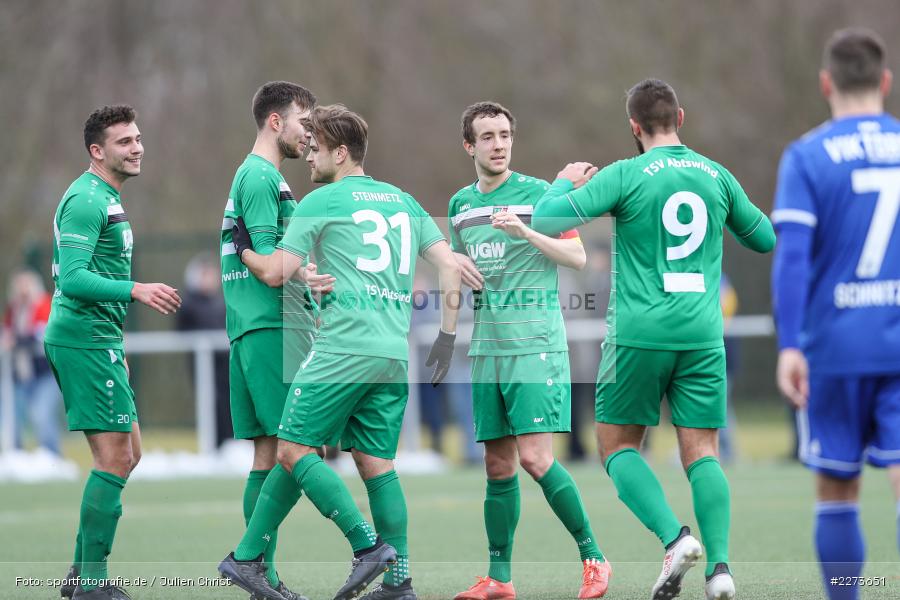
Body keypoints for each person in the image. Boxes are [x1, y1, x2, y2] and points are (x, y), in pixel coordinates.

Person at [532, 79, 775, 600]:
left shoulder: (625, 174)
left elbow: (548, 220)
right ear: (681, 118)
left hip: (639, 333)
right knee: (703, 452)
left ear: (634, 127)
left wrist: (561, 181)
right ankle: (722, 571)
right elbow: (764, 238)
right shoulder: (716, 174)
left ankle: (675, 539)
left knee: (616, 445)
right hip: (703, 334)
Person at [218, 104, 462, 600]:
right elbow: (450, 266)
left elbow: (273, 272)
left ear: (342, 153)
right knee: (377, 464)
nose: (309, 158)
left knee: (291, 449)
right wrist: (446, 336)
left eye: (316, 150)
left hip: (342, 349)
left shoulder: (322, 201)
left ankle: (366, 548)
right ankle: (399, 584)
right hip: (394, 353)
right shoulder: (404, 201)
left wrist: (240, 244)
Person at [449, 102, 612, 600]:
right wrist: (451, 277)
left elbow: (579, 258)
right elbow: (458, 267)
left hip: (534, 345)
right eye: (488, 136)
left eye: (505, 135)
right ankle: (499, 579)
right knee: (497, 466)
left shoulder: (540, 194)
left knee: (536, 459)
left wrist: (527, 231)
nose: (499, 144)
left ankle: (594, 559)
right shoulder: (459, 205)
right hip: (487, 349)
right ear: (469, 146)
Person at [771, 28, 900, 600]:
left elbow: (792, 259)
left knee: (836, 488)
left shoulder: (806, 155)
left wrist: (790, 345)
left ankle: (847, 595)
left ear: (826, 83)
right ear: (885, 82)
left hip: (835, 348)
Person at [45, 105, 182, 600]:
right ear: (97, 151)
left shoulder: (104, 194)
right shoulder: (86, 198)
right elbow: (74, 278)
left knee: (130, 453)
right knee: (115, 458)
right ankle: (91, 583)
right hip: (81, 338)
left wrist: (116, 338)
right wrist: (135, 289)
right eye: (124, 141)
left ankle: (82, 575)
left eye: (138, 138)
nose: (137, 147)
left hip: (99, 339)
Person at [219, 80, 318, 600]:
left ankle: (263, 577)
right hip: (270, 328)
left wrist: (309, 278)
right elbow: (269, 267)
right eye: (304, 121)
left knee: (267, 454)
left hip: (253, 328)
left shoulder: (255, 176)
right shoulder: (261, 176)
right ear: (275, 121)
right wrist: (300, 275)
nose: (311, 132)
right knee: (299, 450)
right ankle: (250, 560)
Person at [2, 268, 62, 455]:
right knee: (12, 415)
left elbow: (41, 334)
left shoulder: (44, 304)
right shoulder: (14, 309)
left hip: (46, 373)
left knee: (41, 414)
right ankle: (16, 455)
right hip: (21, 374)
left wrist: (16, 341)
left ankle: (52, 455)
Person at [176, 252, 232, 446]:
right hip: (206, 367)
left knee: (230, 404)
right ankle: (215, 447)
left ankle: (230, 446)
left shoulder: (220, 302)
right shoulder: (188, 304)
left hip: (227, 366)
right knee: (212, 404)